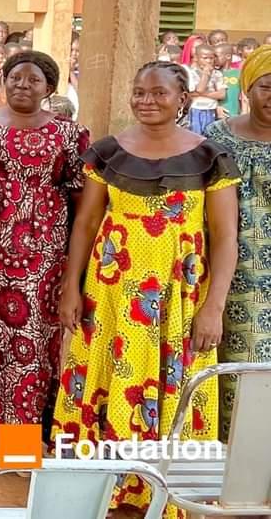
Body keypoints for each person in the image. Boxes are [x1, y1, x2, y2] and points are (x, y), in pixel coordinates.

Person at [55, 61, 239, 518]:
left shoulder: (210, 157)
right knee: (104, 381)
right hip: (111, 295)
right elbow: (86, 223)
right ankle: (108, 492)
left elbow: (225, 237)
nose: (146, 100)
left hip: (177, 300)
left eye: (158, 93)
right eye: (139, 92)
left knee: (173, 386)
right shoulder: (107, 152)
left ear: (183, 99)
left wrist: (213, 306)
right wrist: (70, 288)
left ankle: (165, 493)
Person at [0, 51, 90, 459]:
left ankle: (19, 445)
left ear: (49, 88)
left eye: (34, 80)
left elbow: (81, 195)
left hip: (43, 254)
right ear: (3, 80)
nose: (22, 86)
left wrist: (73, 264)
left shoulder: (69, 134)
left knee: (30, 347)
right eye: (16, 77)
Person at [206, 46, 271, 438]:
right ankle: (234, 471)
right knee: (237, 374)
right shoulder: (217, 136)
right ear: (248, 88)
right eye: (267, 86)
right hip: (231, 274)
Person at [188, 44, 225, 135]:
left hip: (211, 110)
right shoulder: (190, 73)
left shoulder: (217, 74)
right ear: (196, 58)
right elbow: (196, 90)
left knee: (209, 137)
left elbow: (221, 94)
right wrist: (205, 74)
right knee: (195, 137)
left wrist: (200, 93)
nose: (208, 61)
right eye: (205, 58)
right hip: (195, 109)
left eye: (211, 58)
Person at [215, 43, 242, 119]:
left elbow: (243, 97)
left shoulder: (238, 73)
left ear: (228, 56)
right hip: (218, 115)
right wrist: (216, 107)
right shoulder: (214, 74)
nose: (214, 59)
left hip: (235, 115)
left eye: (216, 56)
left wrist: (244, 113)